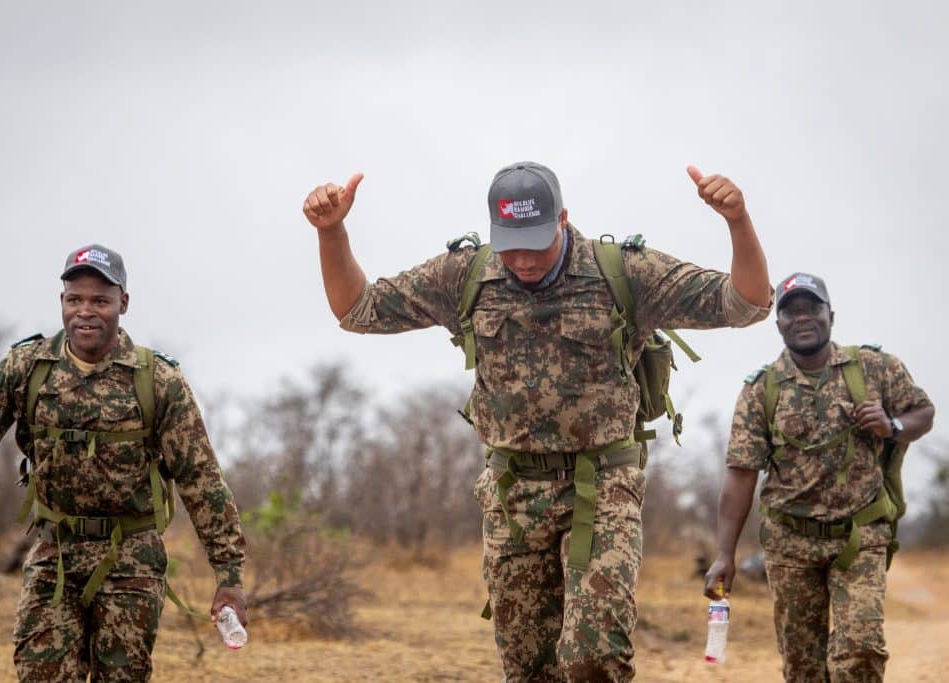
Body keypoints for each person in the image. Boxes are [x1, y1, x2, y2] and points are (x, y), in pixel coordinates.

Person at [303, 161, 772, 681]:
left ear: (563, 220)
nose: (522, 259)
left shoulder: (624, 272)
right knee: (528, 665)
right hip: (512, 493)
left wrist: (737, 222)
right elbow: (357, 309)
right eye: (510, 244)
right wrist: (332, 231)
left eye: (535, 242)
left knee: (593, 657)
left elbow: (746, 303)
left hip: (602, 484)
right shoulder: (466, 275)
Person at [0, 244, 247, 682]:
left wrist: (229, 575)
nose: (85, 312)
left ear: (123, 304)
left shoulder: (157, 379)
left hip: (130, 559)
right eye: (75, 299)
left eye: (100, 300)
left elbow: (201, 480)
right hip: (55, 552)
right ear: (62, 303)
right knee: (40, 673)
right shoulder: (29, 367)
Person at [704, 272, 935, 682]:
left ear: (831, 316)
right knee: (803, 665)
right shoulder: (761, 391)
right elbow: (741, 475)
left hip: (859, 536)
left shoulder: (874, 368)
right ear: (779, 325)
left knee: (860, 651)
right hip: (790, 545)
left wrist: (891, 426)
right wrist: (725, 553)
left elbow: (923, 413)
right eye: (791, 312)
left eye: (812, 309)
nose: (802, 318)